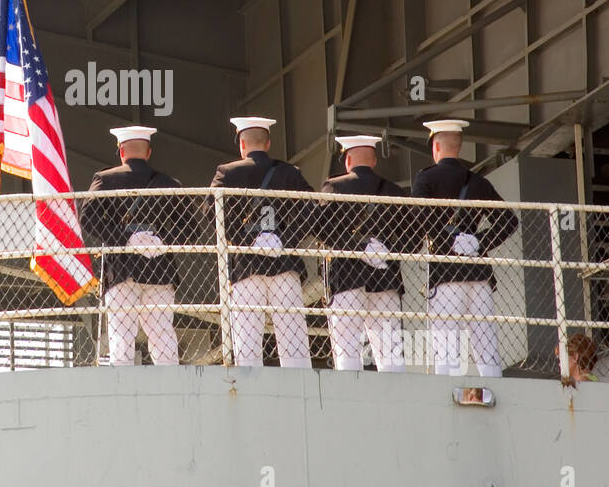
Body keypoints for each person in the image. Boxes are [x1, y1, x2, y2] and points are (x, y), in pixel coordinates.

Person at [412, 119, 517, 378]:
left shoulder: (426, 179)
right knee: (487, 346)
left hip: (445, 272)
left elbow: (418, 218)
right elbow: (509, 221)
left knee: (446, 348)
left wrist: (448, 242)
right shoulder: (479, 182)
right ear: (459, 147)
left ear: (436, 146)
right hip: (478, 271)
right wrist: (478, 241)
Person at [209, 116, 314, 368]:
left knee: (247, 344)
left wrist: (247, 241)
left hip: (247, 265)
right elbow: (314, 211)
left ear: (242, 145)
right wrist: (285, 240)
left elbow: (213, 213)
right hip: (284, 263)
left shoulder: (227, 172)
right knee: (294, 343)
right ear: (267, 143)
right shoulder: (289, 173)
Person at [79, 126, 188, 366]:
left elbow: (87, 218)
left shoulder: (105, 179)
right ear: (148, 152)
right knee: (162, 335)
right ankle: (172, 390)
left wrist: (123, 238)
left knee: (121, 336)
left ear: (120, 151)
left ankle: (123, 388)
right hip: (160, 268)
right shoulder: (169, 183)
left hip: (121, 268)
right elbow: (190, 229)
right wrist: (161, 239)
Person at [319, 135, 415, 372]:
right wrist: (388, 251)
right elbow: (413, 235)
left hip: (347, 278)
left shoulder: (334, 187)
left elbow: (319, 227)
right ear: (373, 160)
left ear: (347, 159)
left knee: (347, 352)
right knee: (391, 355)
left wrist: (357, 248)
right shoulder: (394, 191)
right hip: (386, 277)